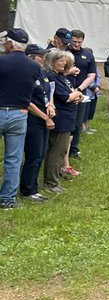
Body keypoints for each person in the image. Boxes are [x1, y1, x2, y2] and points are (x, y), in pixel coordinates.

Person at [0, 28, 42, 210]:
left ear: (9, 44)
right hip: (20, 113)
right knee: (13, 159)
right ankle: (7, 198)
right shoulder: (34, 66)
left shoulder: (1, 61)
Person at [43, 48, 82, 192]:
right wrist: (77, 93)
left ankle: (53, 180)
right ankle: (51, 183)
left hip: (67, 119)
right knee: (57, 151)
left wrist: (76, 95)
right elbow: (65, 97)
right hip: (61, 119)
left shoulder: (60, 76)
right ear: (52, 62)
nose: (64, 62)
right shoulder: (52, 77)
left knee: (60, 150)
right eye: (60, 60)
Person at [20, 44, 54, 203]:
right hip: (33, 119)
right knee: (33, 155)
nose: (43, 58)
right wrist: (45, 117)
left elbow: (47, 93)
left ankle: (33, 186)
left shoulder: (42, 73)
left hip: (43, 117)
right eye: (40, 56)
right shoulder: (27, 75)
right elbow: (28, 101)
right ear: (30, 57)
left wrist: (50, 105)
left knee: (40, 154)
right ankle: (28, 190)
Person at [67, 30, 97, 159]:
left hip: (81, 92)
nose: (76, 44)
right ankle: (62, 149)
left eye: (79, 42)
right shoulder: (64, 53)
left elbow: (91, 75)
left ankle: (74, 149)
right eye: (74, 42)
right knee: (65, 122)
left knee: (77, 122)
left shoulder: (88, 55)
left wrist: (79, 89)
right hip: (64, 92)